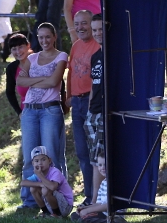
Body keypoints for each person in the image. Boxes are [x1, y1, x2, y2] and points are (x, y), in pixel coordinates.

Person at [17, 22, 68, 193]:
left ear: (54, 37)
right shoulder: (32, 58)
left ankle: (58, 197)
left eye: (47, 37)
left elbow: (54, 82)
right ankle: (29, 199)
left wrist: (32, 81)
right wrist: (43, 79)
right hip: (29, 110)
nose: (44, 41)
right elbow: (20, 81)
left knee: (51, 156)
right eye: (40, 37)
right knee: (29, 157)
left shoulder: (61, 56)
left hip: (50, 110)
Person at [66, 9, 100, 207]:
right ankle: (89, 196)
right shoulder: (76, 46)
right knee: (82, 152)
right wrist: (68, 96)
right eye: (77, 23)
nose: (80, 27)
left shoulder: (98, 44)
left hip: (91, 101)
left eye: (84, 23)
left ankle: (99, 196)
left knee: (96, 151)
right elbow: (71, 73)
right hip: (77, 103)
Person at [70, 151, 126, 223]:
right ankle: (104, 222)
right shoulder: (103, 182)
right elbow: (99, 203)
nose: (102, 168)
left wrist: (88, 211)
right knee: (75, 215)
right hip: (103, 213)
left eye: (105, 164)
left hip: (113, 215)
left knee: (84, 219)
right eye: (100, 165)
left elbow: (109, 206)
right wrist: (85, 208)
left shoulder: (116, 183)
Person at [83, 13, 103, 205]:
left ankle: (97, 201)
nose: (97, 33)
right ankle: (94, 200)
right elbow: (93, 85)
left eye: (101, 29)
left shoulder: (114, 55)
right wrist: (89, 109)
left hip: (105, 113)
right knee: (93, 159)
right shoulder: (96, 56)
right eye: (94, 30)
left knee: (101, 160)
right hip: (93, 113)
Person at [21, 146, 74, 218]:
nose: (40, 163)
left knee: (45, 189)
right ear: (33, 163)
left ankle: (57, 214)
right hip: (53, 205)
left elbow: (52, 187)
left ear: (49, 161)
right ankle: (46, 212)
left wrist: (40, 176)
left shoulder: (54, 172)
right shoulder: (38, 174)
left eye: (43, 160)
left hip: (65, 206)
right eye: (36, 161)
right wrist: (40, 184)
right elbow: (23, 183)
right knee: (33, 188)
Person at [4, 33, 32, 117]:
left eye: (20, 47)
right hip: (27, 113)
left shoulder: (39, 62)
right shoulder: (11, 68)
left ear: (28, 45)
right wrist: (19, 112)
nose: (18, 51)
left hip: (47, 111)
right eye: (14, 49)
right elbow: (9, 92)